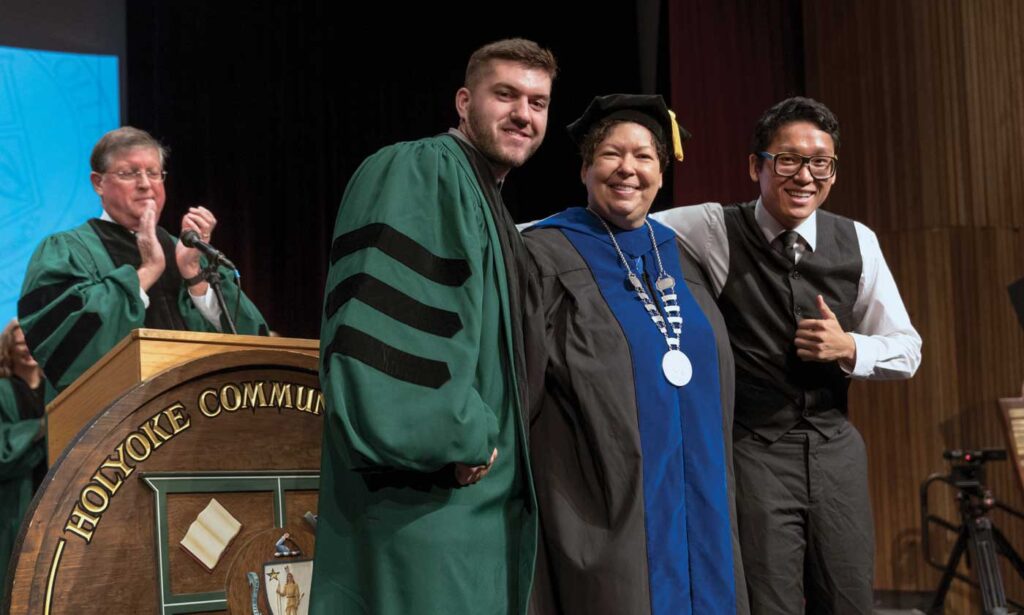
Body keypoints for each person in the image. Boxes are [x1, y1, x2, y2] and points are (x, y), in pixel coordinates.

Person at [311, 39, 556, 614]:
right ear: (465, 101)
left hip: (477, 505)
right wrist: (457, 434)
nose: (524, 113)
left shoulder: (487, 196)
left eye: (539, 102)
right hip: (427, 498)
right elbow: (392, 331)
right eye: (506, 95)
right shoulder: (422, 169)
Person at [652, 96, 922, 613]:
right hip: (756, 452)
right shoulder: (714, 228)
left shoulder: (857, 240)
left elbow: (908, 349)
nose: (805, 175)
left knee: (849, 599)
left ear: (833, 172)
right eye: (788, 160)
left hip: (835, 449)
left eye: (820, 162)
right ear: (756, 166)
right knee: (769, 602)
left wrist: (850, 348)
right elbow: (625, 218)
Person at [523, 94, 746, 615]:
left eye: (644, 156)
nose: (628, 169)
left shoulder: (678, 253)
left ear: (661, 174)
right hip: (602, 503)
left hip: (702, 502)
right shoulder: (545, 253)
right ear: (585, 169)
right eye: (611, 155)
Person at [17, 127, 267, 399]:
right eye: (129, 173)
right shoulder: (66, 251)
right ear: (98, 183)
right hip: (113, 429)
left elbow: (251, 343)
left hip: (201, 420)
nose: (145, 183)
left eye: (154, 173)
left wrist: (194, 276)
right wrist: (147, 271)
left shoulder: (187, 250)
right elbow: (64, 348)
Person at [0, 319, 46, 596]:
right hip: (15, 500)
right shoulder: (3, 391)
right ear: (9, 348)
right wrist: (41, 428)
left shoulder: (59, 388)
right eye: (20, 342)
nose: (28, 347)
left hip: (53, 489)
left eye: (34, 339)